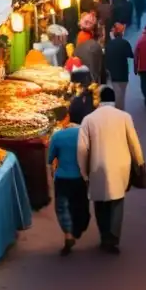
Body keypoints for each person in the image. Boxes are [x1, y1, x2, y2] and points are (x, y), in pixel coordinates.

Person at [77, 86, 145, 253]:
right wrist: (140, 163)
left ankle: (104, 235)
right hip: (121, 164)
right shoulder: (124, 117)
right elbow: (134, 142)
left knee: (99, 202)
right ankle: (113, 237)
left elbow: (82, 149)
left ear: (99, 100)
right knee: (117, 200)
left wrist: (83, 173)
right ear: (114, 100)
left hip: (97, 165)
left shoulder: (88, 119)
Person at [49, 100, 93, 256]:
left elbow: (50, 158)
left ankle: (68, 234)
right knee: (80, 204)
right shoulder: (84, 133)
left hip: (62, 178)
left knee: (62, 207)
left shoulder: (57, 136)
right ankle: (78, 230)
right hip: (80, 177)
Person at [103, 23, 134, 111]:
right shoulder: (125, 43)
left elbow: (106, 57)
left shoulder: (109, 44)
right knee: (122, 94)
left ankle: (118, 110)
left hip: (113, 73)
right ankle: (121, 110)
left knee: (117, 93)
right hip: (123, 72)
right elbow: (131, 55)